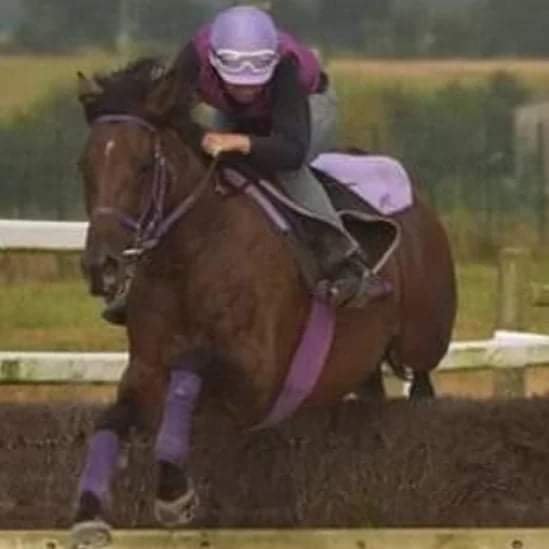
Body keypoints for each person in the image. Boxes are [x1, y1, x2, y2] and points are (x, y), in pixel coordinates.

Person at [103, 5, 390, 325]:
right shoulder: (194, 57)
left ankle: (345, 262)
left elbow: (291, 150)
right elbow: (169, 116)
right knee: (204, 166)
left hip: (307, 107)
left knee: (287, 171)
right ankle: (142, 274)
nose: (247, 90)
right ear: (215, 64)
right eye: (237, 83)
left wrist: (240, 142)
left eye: (254, 82)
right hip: (238, 115)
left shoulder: (286, 68)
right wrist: (203, 139)